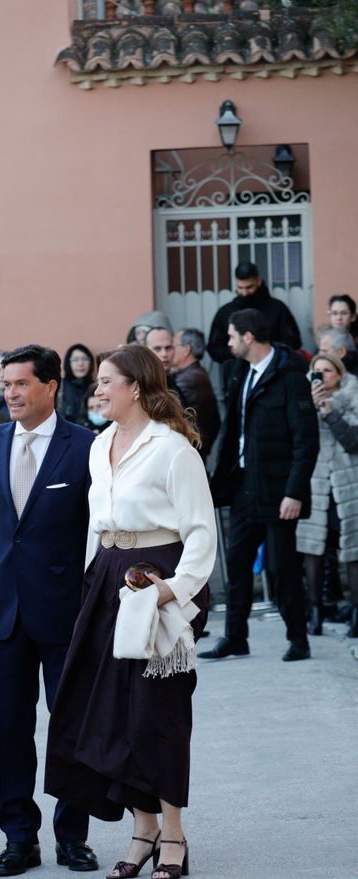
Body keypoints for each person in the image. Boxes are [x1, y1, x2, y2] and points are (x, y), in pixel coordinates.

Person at [45, 345, 216, 879]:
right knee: (111, 712)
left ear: (135, 387)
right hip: (107, 579)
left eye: (106, 382)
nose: (96, 391)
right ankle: (142, 832)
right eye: (97, 382)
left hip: (158, 577)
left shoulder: (173, 450)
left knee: (158, 713)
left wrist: (173, 593)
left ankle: (174, 835)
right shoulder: (99, 446)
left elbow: (201, 533)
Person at [0, 345, 98, 877]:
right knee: (10, 730)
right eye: (6, 384)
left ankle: (73, 836)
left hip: (64, 610)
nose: (9, 394)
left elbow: (97, 534)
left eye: (21, 384)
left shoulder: (87, 447)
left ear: (50, 386)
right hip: (3, 612)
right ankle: (19, 838)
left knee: (70, 725)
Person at [200, 309, 319, 662]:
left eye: (232, 336)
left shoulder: (291, 377)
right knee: (237, 565)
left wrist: (294, 492)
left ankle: (299, 639)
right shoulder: (241, 372)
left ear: (249, 337)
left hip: (279, 492)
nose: (228, 342)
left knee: (282, 569)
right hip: (243, 487)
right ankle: (236, 638)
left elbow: (306, 442)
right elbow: (234, 431)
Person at [296, 352, 358, 638]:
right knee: (313, 550)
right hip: (315, 483)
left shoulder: (352, 396)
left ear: (340, 374)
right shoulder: (301, 398)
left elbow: (353, 440)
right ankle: (315, 612)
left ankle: (356, 612)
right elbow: (296, 435)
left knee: (353, 550)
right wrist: (311, 405)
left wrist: (328, 410)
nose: (321, 376)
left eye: (327, 371)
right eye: (316, 371)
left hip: (349, 484)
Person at [207, 261, 301, 363]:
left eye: (249, 287)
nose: (244, 293)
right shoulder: (225, 312)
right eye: (240, 288)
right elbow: (214, 347)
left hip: (273, 371)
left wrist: (267, 351)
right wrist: (233, 351)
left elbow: (293, 341)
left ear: (259, 281)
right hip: (237, 374)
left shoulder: (278, 309)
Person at [172, 328, 221, 461]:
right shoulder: (197, 373)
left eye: (173, 345)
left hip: (188, 454)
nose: (169, 351)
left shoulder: (188, 379)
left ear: (186, 349)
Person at [58, 344, 96, 427]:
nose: (80, 364)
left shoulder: (96, 388)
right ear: (68, 363)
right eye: (75, 359)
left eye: (85, 359)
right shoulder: (59, 387)